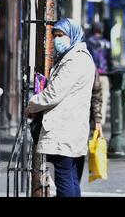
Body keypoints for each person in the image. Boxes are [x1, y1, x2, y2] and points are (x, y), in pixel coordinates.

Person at [25, 18, 96, 197]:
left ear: (72, 35)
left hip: (64, 129)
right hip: (69, 128)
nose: (57, 39)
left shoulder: (74, 60)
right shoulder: (76, 58)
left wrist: (32, 105)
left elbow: (53, 94)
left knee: (64, 178)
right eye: (55, 35)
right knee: (70, 178)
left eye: (61, 35)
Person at [77, 69, 103, 182]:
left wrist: (97, 119)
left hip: (81, 118)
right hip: (80, 118)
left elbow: (96, 93)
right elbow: (96, 94)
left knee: (77, 156)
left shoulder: (87, 62)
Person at [86, 23, 111, 125]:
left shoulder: (88, 42)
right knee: (103, 101)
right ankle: (99, 124)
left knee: (88, 99)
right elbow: (110, 61)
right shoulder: (107, 43)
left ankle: (89, 121)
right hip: (103, 75)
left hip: (91, 74)